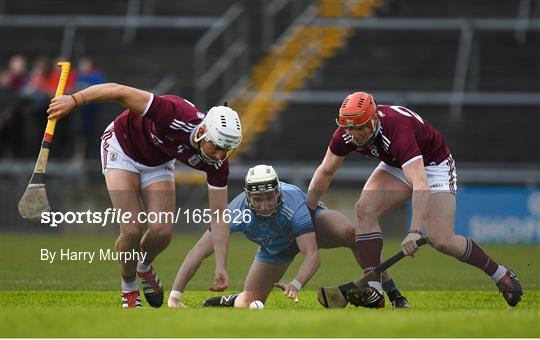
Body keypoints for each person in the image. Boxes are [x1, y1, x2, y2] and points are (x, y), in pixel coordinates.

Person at [306, 91, 522, 308]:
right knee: (365, 209)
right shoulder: (346, 134)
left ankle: (500, 273)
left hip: (433, 165)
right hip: (397, 165)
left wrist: (414, 231)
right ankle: (374, 289)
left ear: (373, 119)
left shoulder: (397, 130)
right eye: (349, 127)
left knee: (442, 239)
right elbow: (325, 172)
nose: (355, 134)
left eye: (360, 127)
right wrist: (309, 210)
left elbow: (420, 183)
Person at [47, 83, 243, 308]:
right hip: (121, 147)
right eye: (217, 147)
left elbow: (219, 216)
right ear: (202, 133)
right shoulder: (171, 113)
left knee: (162, 233)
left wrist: (220, 267)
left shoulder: (218, 164)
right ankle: (129, 288)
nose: (220, 156)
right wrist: (74, 100)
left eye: (226, 150)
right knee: (131, 229)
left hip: (157, 162)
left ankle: (143, 266)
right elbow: (118, 91)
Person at [167, 164, 409, 309]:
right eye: (258, 199)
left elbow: (312, 256)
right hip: (275, 249)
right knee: (248, 302)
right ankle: (230, 300)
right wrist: (175, 295)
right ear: (248, 197)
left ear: (278, 193)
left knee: (353, 235)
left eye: (269, 197)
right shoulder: (234, 212)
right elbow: (196, 252)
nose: (264, 205)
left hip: (312, 228)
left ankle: (392, 292)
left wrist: (296, 284)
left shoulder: (293, 206)